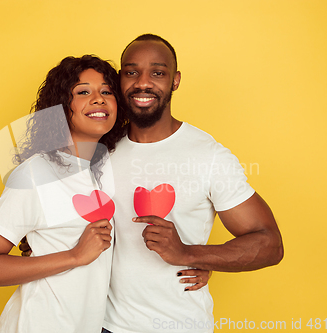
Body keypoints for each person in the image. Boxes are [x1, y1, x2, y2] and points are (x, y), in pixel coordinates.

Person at [101, 34, 284, 333]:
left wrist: (189, 253)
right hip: (104, 324)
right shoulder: (103, 147)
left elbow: (270, 244)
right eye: (131, 72)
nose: (143, 82)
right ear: (120, 80)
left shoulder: (208, 155)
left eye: (158, 72)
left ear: (175, 81)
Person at [0, 55, 129, 332]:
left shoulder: (102, 171)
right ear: (62, 108)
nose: (99, 99)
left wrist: (191, 261)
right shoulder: (36, 174)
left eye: (107, 91)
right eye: (83, 91)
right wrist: (75, 255)